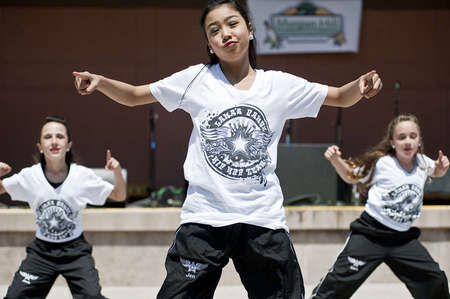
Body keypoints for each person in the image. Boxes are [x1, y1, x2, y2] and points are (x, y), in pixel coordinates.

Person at [72, 0, 382, 297]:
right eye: (214, 30)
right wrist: (101, 82)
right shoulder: (195, 79)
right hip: (205, 217)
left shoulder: (279, 85)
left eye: (232, 23)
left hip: (262, 220)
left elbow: (340, 96)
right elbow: (137, 95)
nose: (225, 33)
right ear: (209, 44)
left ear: (250, 29)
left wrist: (360, 86)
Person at [311, 114, 450, 299]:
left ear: (419, 140)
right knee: (337, 284)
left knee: (436, 281)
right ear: (392, 142)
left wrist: (442, 166)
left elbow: (438, 171)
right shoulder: (382, 163)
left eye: (412, 136)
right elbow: (351, 176)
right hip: (370, 235)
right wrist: (336, 160)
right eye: (401, 137)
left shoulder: (423, 163)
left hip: (402, 239)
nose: (407, 142)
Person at [0, 116, 126, 299]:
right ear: (40, 147)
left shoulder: (81, 176)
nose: (53, 141)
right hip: (41, 252)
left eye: (59, 136)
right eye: (47, 137)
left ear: (68, 145)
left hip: (75, 251)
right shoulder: (30, 176)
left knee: (92, 296)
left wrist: (117, 171)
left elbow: (119, 196)